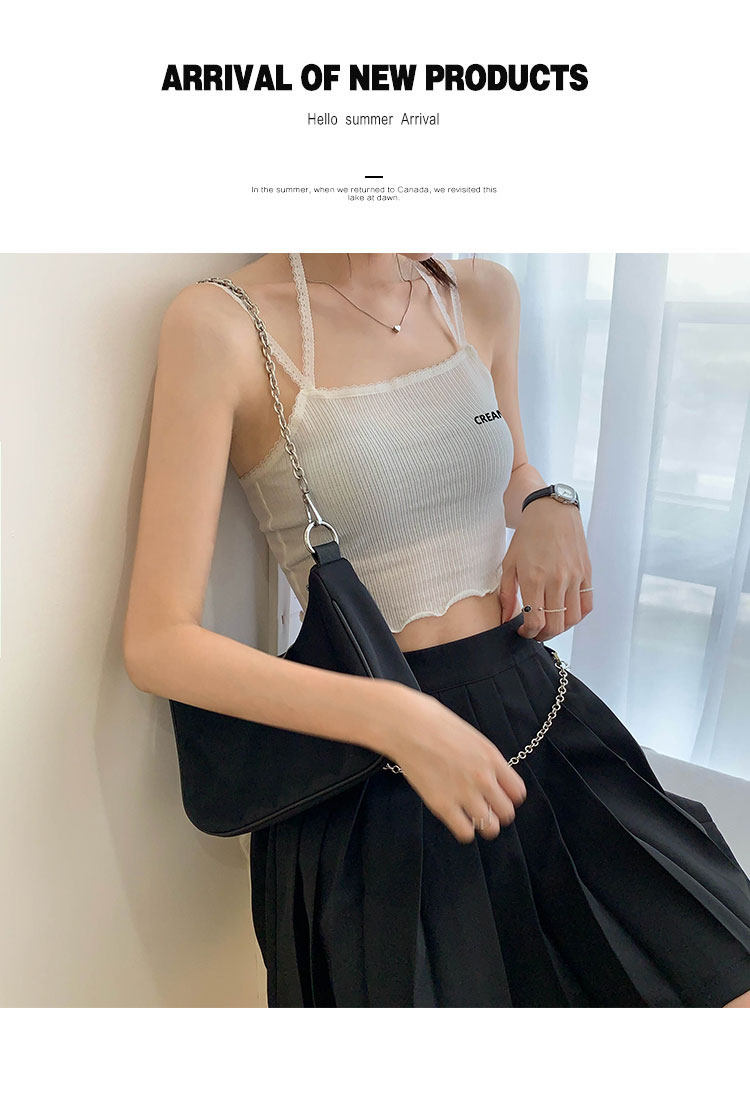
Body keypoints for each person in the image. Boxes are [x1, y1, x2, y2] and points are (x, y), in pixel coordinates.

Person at [123, 252, 750, 1007]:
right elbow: (158, 642)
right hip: (372, 770)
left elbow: (509, 466)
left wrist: (549, 502)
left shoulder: (479, 292)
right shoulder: (224, 323)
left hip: (532, 716)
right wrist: (398, 718)